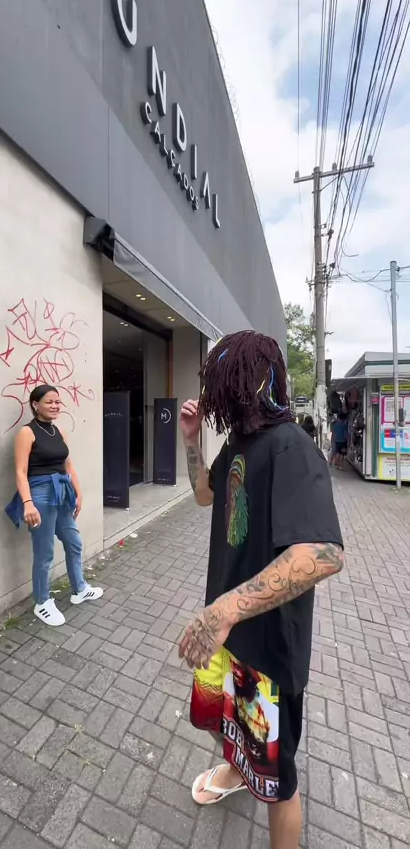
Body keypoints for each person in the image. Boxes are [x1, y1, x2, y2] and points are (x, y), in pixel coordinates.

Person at [178, 331, 343, 849]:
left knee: (278, 781)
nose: (218, 392)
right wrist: (190, 439)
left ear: (254, 380)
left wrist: (227, 607)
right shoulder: (237, 443)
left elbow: (323, 553)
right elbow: (203, 495)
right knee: (219, 719)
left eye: (226, 380)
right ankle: (235, 771)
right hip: (226, 636)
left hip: (268, 651)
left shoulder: (292, 446)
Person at [6, 384, 103, 626]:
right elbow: (20, 471)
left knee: (74, 542)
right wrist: (28, 503)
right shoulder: (27, 433)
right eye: (49, 402)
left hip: (62, 493)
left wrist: (78, 493)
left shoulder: (59, 431)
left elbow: (68, 466)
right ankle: (42, 602)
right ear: (35, 405)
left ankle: (79, 589)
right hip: (39, 495)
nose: (55, 406)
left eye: (57, 402)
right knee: (44, 552)